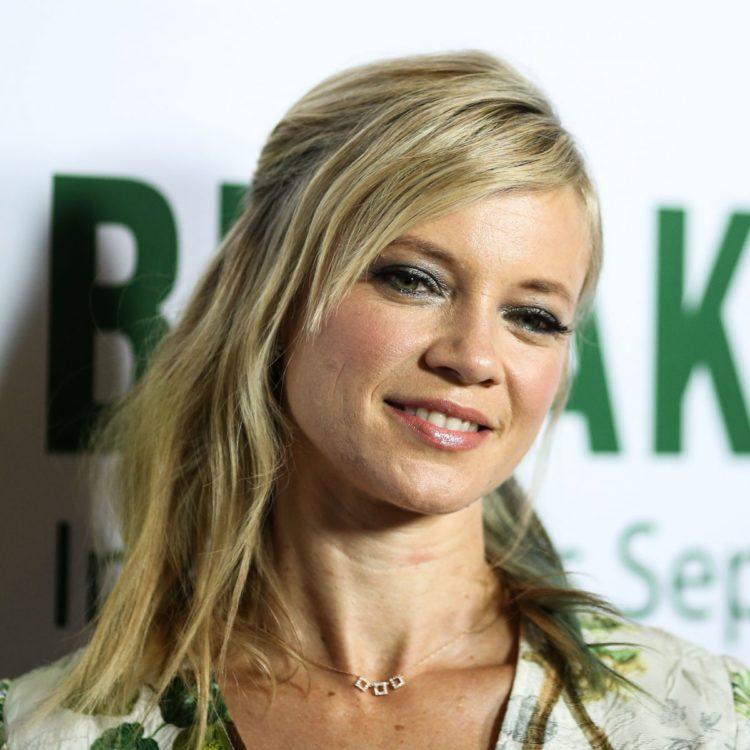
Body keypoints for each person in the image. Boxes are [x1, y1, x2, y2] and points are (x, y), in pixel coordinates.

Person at [2, 49, 748, 750]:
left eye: (533, 317)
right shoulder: (41, 733)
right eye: (414, 280)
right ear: (275, 295)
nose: (473, 358)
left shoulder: (706, 718)